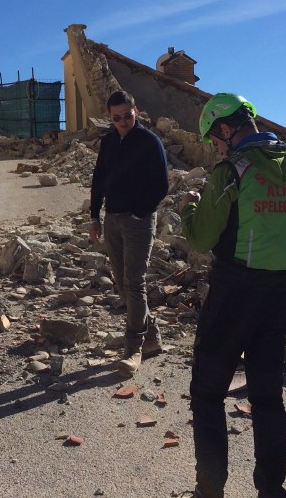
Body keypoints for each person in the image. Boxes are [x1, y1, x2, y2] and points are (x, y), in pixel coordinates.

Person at [180, 93, 286, 498]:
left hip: (235, 293)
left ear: (225, 129)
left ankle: (211, 490)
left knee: (207, 393)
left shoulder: (233, 171)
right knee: (267, 397)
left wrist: (190, 209)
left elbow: (202, 237)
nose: (215, 147)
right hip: (282, 295)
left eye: (214, 139)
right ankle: (271, 490)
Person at [89, 90, 169, 377]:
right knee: (122, 283)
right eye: (116, 117)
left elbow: (161, 184)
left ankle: (133, 347)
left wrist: (141, 211)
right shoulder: (109, 141)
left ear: (136, 111)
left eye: (127, 116)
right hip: (112, 219)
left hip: (139, 221)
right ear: (110, 117)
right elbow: (99, 179)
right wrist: (94, 216)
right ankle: (152, 333)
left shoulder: (150, 142)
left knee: (134, 282)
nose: (122, 121)